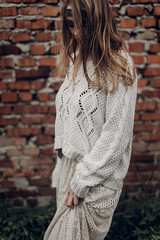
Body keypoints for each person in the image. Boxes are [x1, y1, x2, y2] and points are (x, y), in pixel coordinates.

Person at [44, 0, 138, 239]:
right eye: (70, 25)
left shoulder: (119, 64)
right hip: (70, 169)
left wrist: (82, 180)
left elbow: (116, 135)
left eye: (81, 24)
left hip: (94, 176)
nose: (76, 32)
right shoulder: (77, 58)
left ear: (98, 21)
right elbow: (67, 114)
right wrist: (61, 162)